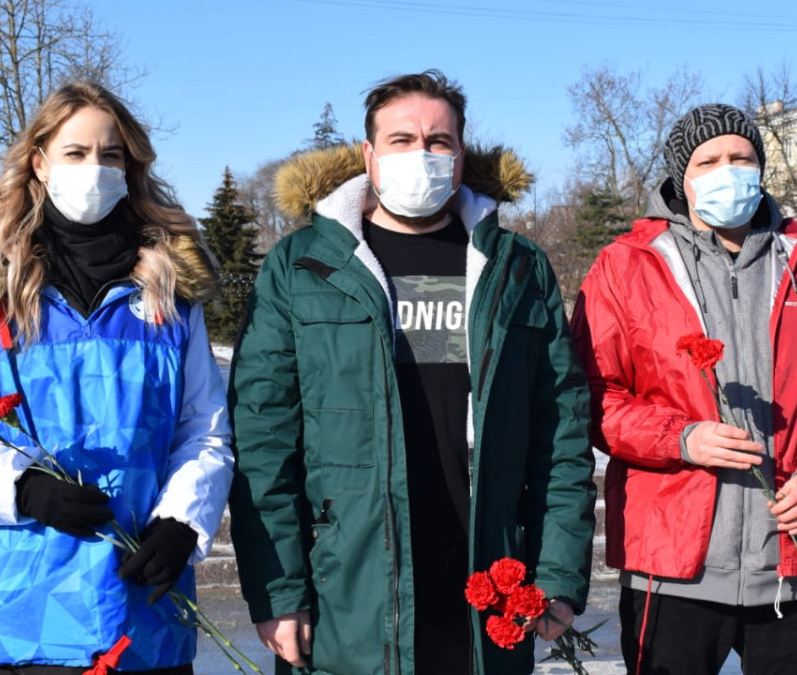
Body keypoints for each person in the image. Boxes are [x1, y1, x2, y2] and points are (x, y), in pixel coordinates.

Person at [227, 70, 595, 675]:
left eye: (438, 141)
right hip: (346, 591)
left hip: (487, 586)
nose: (421, 154)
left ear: (461, 155)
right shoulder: (304, 267)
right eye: (401, 140)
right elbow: (263, 440)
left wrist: (556, 575)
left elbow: (561, 433)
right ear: (369, 154)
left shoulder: (514, 267)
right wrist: (279, 591)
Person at [0, 82, 233, 674]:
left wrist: (183, 522)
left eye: (111, 155)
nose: (94, 168)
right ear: (40, 162)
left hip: (144, 609)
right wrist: (22, 488)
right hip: (22, 613)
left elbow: (202, 430)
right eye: (75, 153)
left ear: (130, 167)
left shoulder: (171, 294)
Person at [570, 103, 797, 674]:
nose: (728, 170)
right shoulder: (625, 267)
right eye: (709, 160)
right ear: (681, 176)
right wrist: (680, 438)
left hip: (796, 562)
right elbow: (592, 395)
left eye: (742, 157)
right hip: (672, 567)